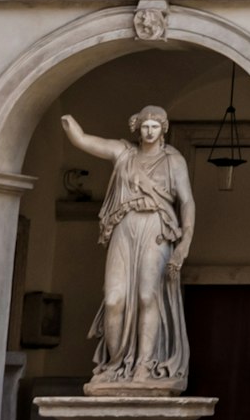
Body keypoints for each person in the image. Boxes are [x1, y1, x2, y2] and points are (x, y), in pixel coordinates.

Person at [54, 105, 195, 389]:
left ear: (163, 129)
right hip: (123, 226)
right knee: (113, 300)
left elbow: (187, 201)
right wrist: (71, 127)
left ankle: (143, 364)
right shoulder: (124, 153)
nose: (150, 131)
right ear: (137, 128)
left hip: (156, 227)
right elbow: (85, 141)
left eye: (155, 126)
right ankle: (116, 365)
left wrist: (184, 244)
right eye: (145, 126)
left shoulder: (174, 161)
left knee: (147, 296)